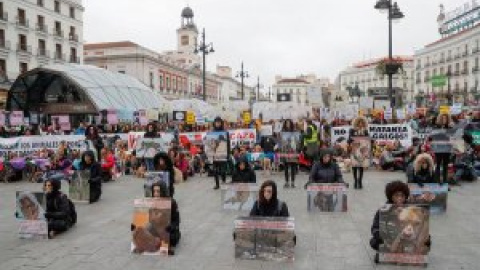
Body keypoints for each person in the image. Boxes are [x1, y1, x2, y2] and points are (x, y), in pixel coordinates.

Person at [369, 181, 431, 263]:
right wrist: (381, 236)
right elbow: (374, 228)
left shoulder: (412, 208)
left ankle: (407, 253)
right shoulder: (383, 210)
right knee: (374, 241)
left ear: (405, 196)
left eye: (402, 196)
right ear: (390, 197)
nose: (399, 198)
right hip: (390, 238)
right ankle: (386, 253)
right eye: (396, 195)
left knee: (428, 241)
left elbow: (421, 223)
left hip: (410, 238)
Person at [151, 181, 181, 254]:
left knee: (171, 238)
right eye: (154, 191)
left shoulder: (172, 202)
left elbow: (177, 221)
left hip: (168, 230)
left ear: (163, 191)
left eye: (158, 192)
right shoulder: (150, 202)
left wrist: (171, 227)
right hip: (156, 228)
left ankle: (165, 246)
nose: (155, 194)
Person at [349, 116, 369, 189]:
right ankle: (355, 181)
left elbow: (368, 140)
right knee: (354, 166)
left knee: (361, 167)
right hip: (354, 149)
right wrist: (356, 135)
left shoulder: (365, 131)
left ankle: (360, 181)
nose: (360, 125)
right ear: (356, 123)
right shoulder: (352, 130)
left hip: (362, 150)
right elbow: (349, 139)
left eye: (362, 123)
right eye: (359, 123)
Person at [281, 119, 300, 188]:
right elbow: (281, 141)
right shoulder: (283, 132)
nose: (288, 124)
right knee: (285, 167)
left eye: (289, 123)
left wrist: (297, 148)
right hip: (285, 151)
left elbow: (298, 141)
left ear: (291, 124)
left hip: (293, 151)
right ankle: (286, 182)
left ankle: (292, 182)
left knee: (293, 167)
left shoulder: (295, 132)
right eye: (286, 123)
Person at [212, 117, 229, 190]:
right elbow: (210, 143)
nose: (217, 123)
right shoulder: (212, 133)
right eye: (216, 122)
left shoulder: (225, 132)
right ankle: (217, 184)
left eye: (219, 122)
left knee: (223, 170)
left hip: (223, 153)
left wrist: (228, 153)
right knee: (215, 170)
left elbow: (228, 144)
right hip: (215, 154)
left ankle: (224, 182)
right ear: (214, 123)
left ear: (221, 123)